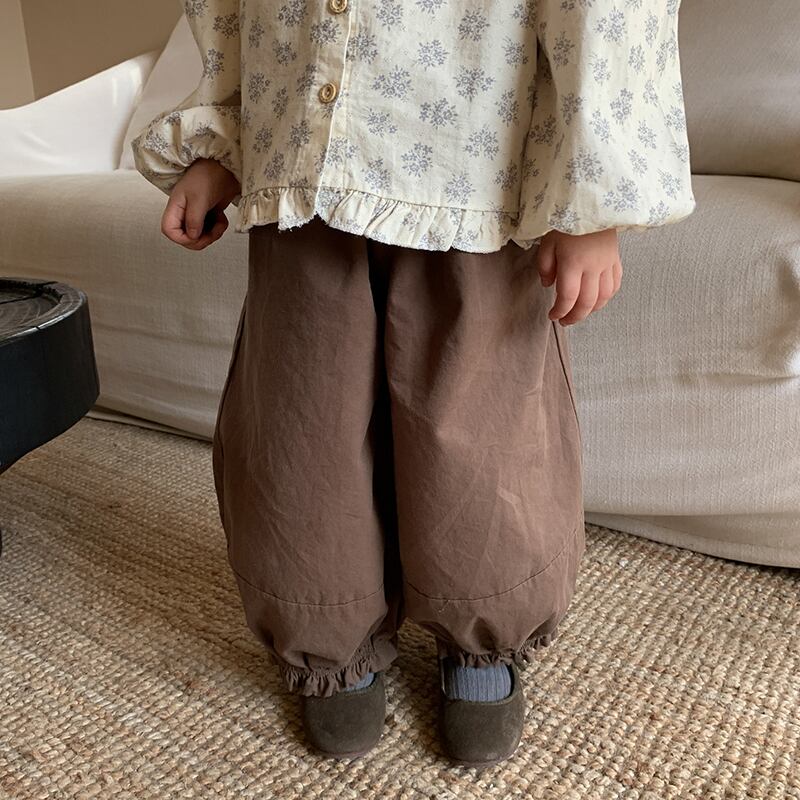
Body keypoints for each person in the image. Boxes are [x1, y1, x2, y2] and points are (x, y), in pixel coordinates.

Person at [131, 0, 696, 768]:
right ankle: (329, 639)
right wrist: (225, 138)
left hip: (474, 156)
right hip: (305, 165)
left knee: (480, 423)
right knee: (303, 426)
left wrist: (596, 192)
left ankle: (482, 637)